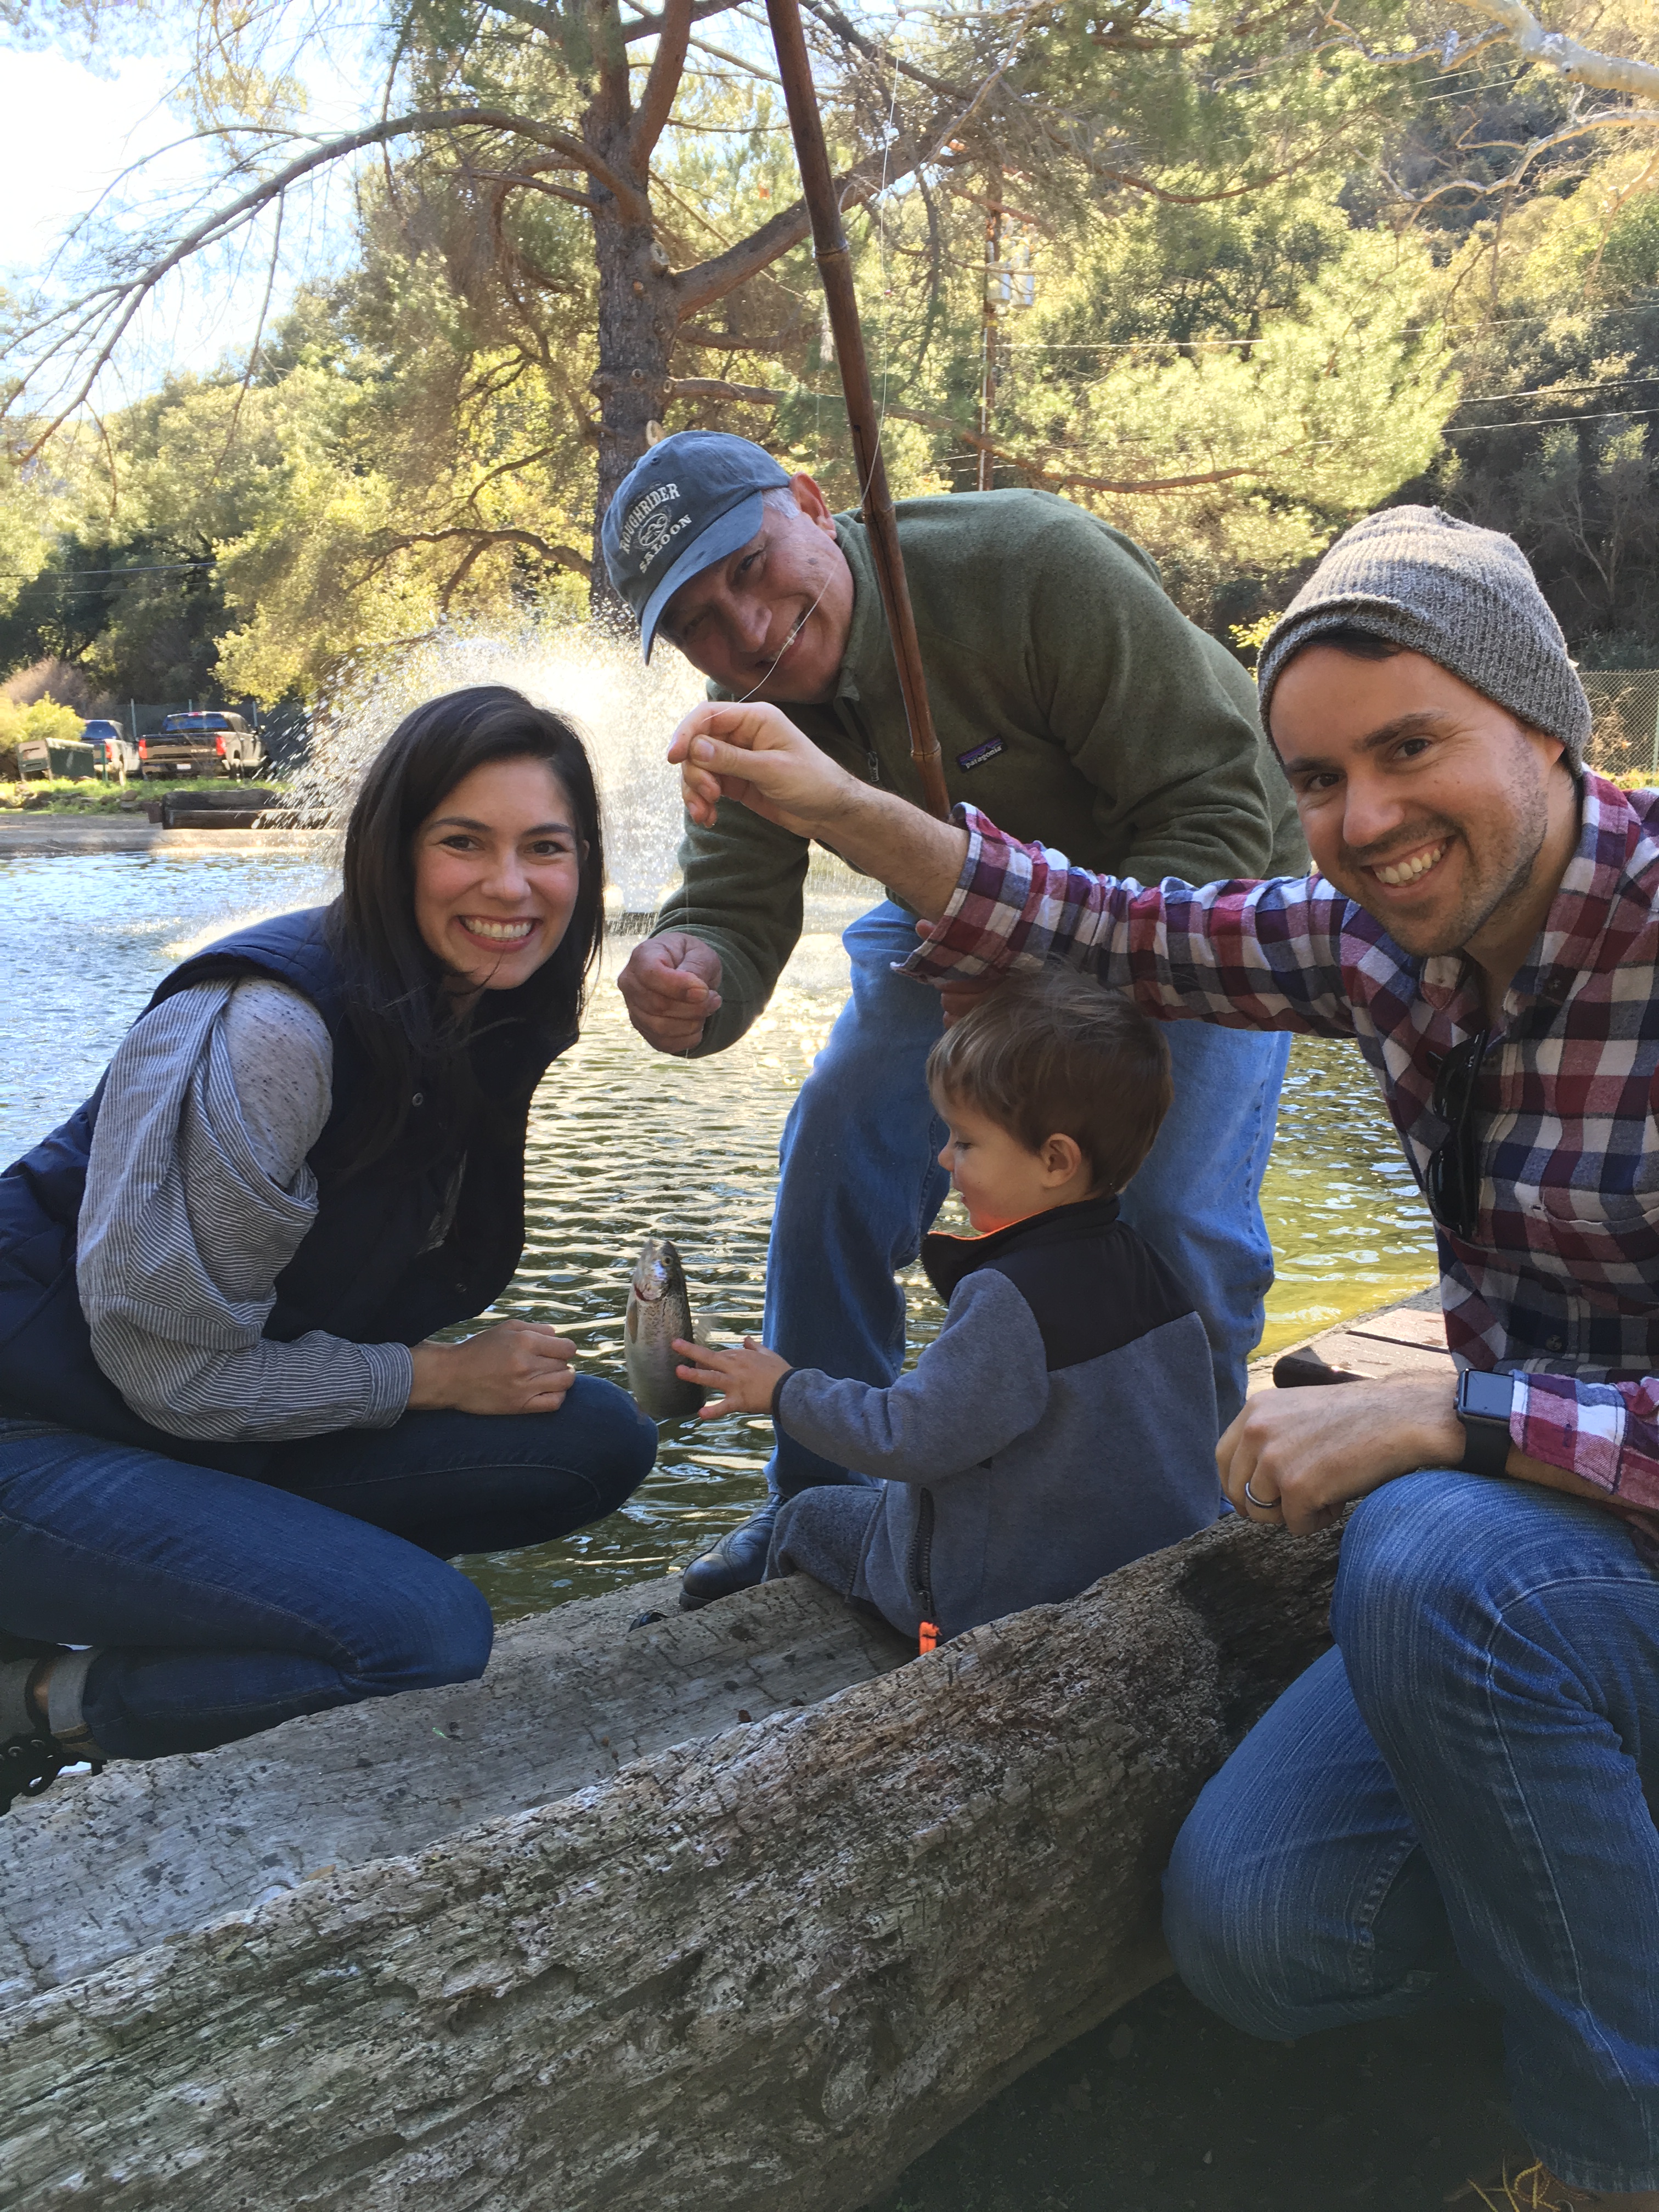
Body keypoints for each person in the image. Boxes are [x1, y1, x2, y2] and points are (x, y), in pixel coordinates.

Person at [663, 504, 1659, 2209]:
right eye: (1323, 781)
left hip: (1543, 1529)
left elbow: (1465, 1463)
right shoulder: (1383, 945)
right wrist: (845, 811)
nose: (1364, 822)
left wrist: (1458, 1418)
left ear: (1546, 724)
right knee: (1262, 1935)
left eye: (1411, 749)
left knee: (1424, 1555)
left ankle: (1615, 2146)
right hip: (1573, 1554)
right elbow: (1112, 926)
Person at [603, 430, 1302, 1607]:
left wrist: (1064, 996)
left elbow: (1214, 802)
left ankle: (1194, 1509)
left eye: (749, 567)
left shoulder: (1029, 567)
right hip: (957, 926)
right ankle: (818, 1501)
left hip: (1197, 901)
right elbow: (731, 907)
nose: (746, 628)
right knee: (832, 1152)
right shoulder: (745, 712)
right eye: (699, 622)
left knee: (1170, 1210)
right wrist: (691, 974)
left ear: (814, 504)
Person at [0, 685, 657, 1809]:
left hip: (167, 1421)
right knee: (423, 1636)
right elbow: (173, 1371)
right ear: (391, 852)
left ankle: (278, 1593)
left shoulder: (473, 1012)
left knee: (592, 1435)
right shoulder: (272, 1034)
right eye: (465, 843)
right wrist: (437, 1379)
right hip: (38, 1428)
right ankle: (41, 1700)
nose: (512, 886)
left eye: (546, 848)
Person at [670, 968, 1221, 1646]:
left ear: (1055, 1160)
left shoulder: (1008, 1297)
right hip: (1132, 1568)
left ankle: (751, 1661)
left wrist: (784, 1390)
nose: (943, 1157)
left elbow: (908, 1437)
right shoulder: (1150, 1267)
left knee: (810, 1516)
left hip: (996, 1602)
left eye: (965, 1142)